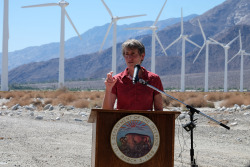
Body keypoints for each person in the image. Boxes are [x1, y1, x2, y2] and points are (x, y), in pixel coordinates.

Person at [102, 39, 163, 111]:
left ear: (142, 56)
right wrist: (108, 89)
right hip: (122, 121)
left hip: (146, 122)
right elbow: (106, 111)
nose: (129, 58)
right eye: (126, 54)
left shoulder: (154, 79)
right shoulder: (116, 80)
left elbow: (159, 110)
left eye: (133, 53)